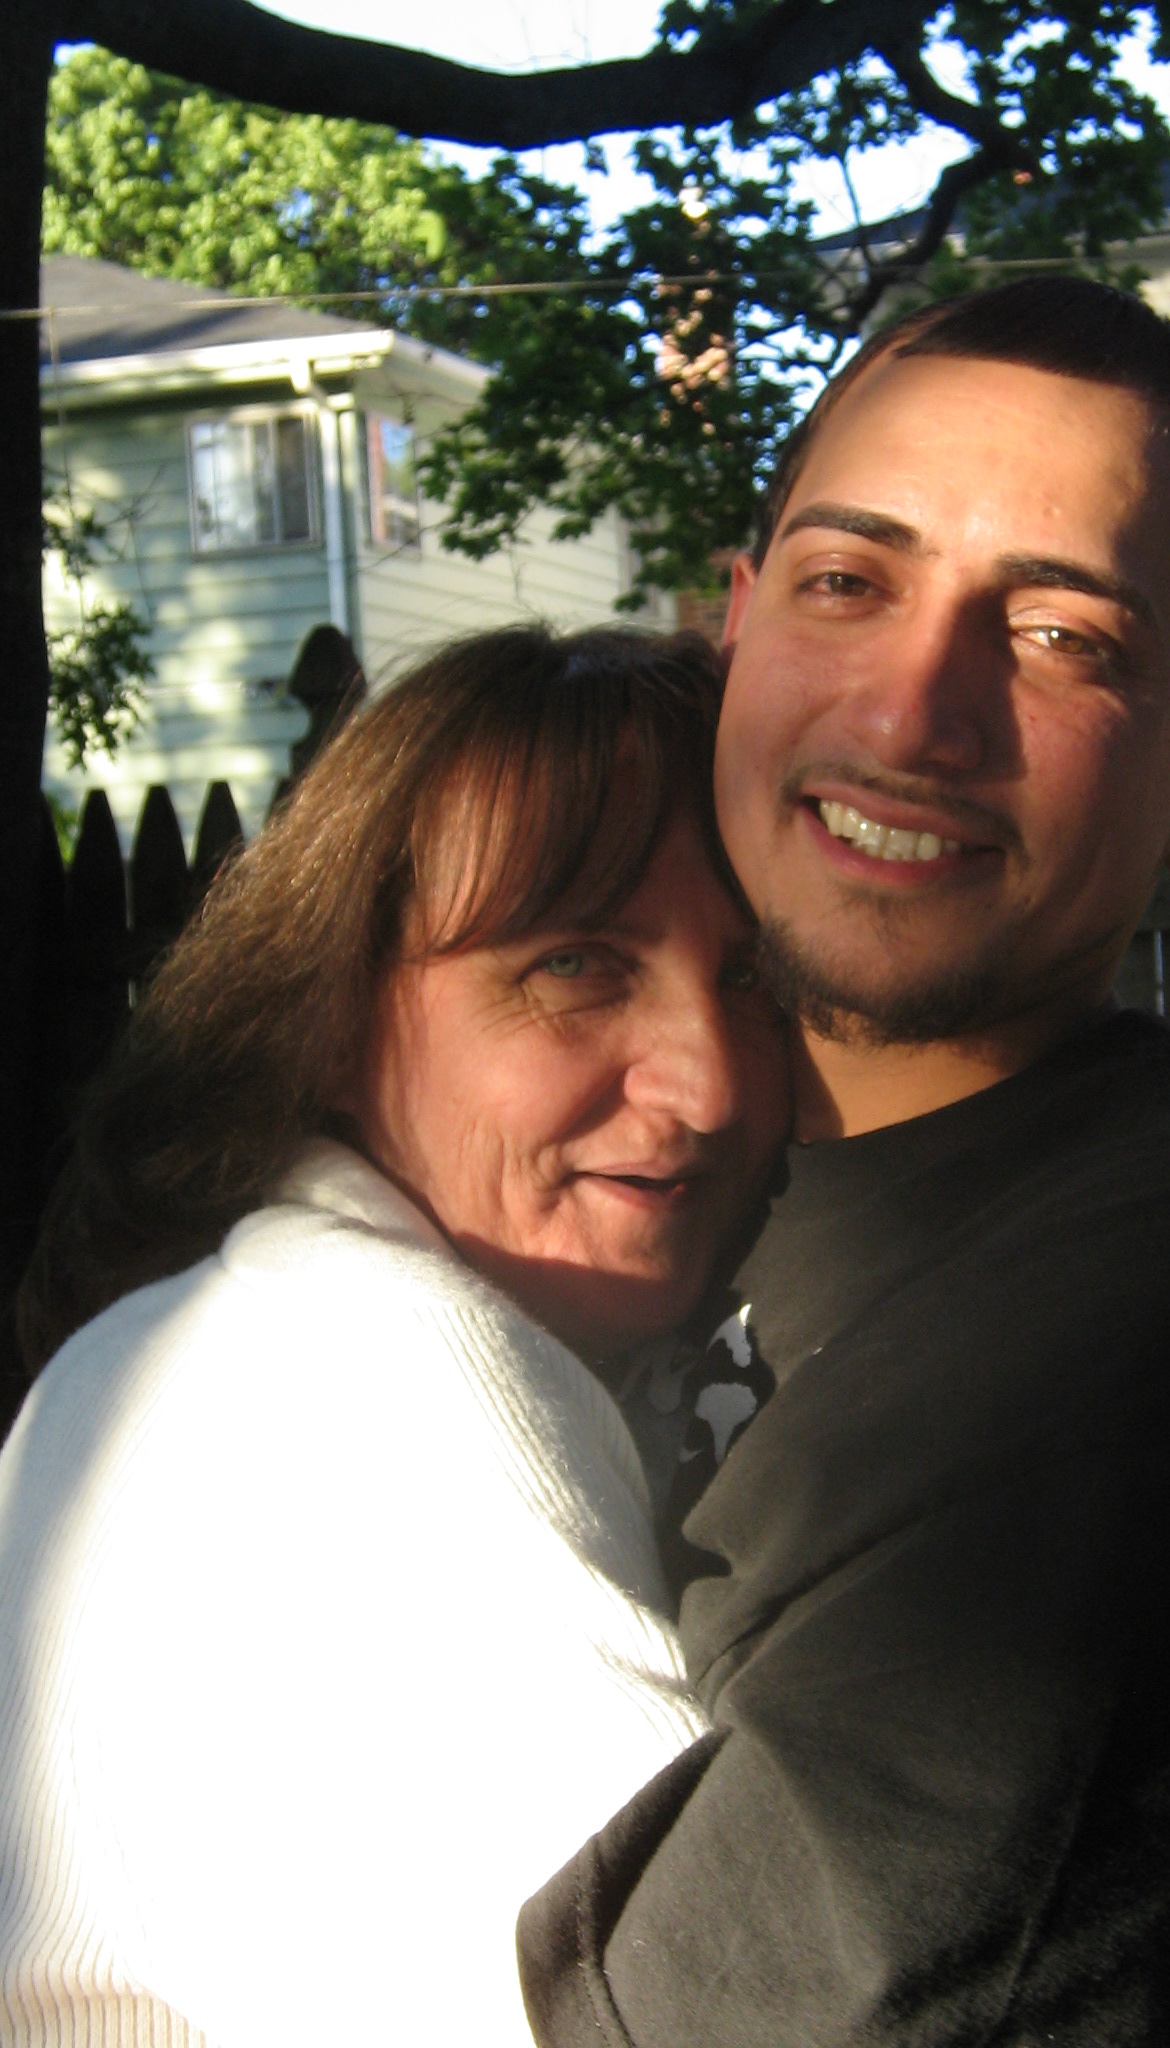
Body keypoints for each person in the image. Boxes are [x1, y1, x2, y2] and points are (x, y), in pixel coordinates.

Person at [516, 277, 1170, 2048]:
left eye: (1064, 638)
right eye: (848, 581)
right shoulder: (648, 1129)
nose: (916, 715)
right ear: (735, 630)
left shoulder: (1142, 1341)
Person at [1, 625, 791, 2047]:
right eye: (576, 965)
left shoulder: (206, 1332)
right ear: (333, 1016)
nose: (712, 1082)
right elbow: (763, 2008)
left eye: (756, 978)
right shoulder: (365, 1375)